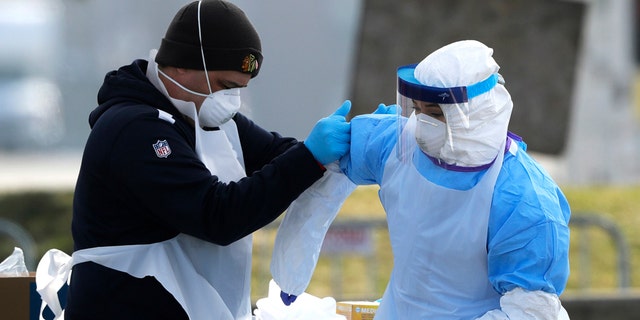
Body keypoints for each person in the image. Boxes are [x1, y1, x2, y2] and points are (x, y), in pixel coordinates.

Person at [34, 1, 352, 319]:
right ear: (183, 65)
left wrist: (355, 147)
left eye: (240, 89)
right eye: (225, 86)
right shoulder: (134, 128)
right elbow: (217, 215)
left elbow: (279, 154)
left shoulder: (210, 119)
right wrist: (310, 157)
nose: (231, 100)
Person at [270, 40, 571, 319]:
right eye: (417, 109)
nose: (421, 124)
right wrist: (291, 270)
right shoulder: (396, 145)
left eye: (436, 113)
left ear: (477, 113)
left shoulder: (524, 199)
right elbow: (332, 168)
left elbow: (531, 310)